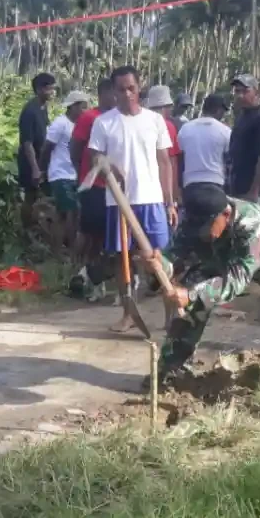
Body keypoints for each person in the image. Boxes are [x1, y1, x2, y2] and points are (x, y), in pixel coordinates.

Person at [142, 183, 260, 394]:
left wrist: (191, 295)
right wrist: (158, 265)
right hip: (223, 258)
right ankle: (173, 369)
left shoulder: (253, 227)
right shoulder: (195, 221)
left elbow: (236, 280)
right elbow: (174, 257)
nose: (200, 234)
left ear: (226, 214)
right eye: (196, 228)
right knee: (192, 294)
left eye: (206, 228)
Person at [87, 65, 178, 333]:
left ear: (139, 88)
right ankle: (128, 313)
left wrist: (169, 201)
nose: (127, 94)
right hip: (118, 201)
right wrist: (105, 165)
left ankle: (170, 312)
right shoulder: (104, 122)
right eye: (121, 89)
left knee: (159, 256)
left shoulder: (155, 120)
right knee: (122, 259)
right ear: (113, 92)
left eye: (131, 88)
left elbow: (165, 163)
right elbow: (94, 156)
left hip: (150, 199)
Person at [70, 79, 117, 301]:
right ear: (104, 93)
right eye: (114, 92)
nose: (117, 97)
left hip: (113, 188)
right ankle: (78, 270)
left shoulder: (118, 118)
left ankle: (93, 277)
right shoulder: (89, 117)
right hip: (93, 186)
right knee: (89, 233)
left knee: (105, 237)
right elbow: (75, 147)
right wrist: (84, 170)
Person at [42, 91, 91, 257]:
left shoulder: (80, 125)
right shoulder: (60, 124)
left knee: (66, 214)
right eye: (82, 106)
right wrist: (43, 169)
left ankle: (59, 250)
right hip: (60, 174)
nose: (85, 110)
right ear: (73, 107)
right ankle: (68, 251)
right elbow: (47, 148)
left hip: (74, 174)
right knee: (70, 212)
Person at [18, 72, 58, 240]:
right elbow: (27, 143)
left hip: (40, 158)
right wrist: (35, 168)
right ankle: (26, 231)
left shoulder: (42, 107)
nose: (52, 92)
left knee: (39, 195)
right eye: (49, 89)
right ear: (40, 89)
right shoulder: (30, 111)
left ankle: (37, 228)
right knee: (30, 194)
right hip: (30, 160)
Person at [227, 74, 260, 203]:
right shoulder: (241, 116)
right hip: (238, 185)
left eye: (245, 91)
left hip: (256, 191)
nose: (240, 95)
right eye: (237, 91)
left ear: (257, 92)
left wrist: (254, 191)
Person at [177, 94, 232, 192]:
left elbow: (180, 159)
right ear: (219, 110)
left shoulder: (185, 128)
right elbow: (229, 160)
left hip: (190, 183)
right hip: (216, 183)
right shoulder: (225, 131)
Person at [145, 85, 182, 206]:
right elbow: (171, 162)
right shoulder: (167, 126)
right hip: (161, 190)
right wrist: (174, 195)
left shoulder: (140, 123)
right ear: (165, 107)